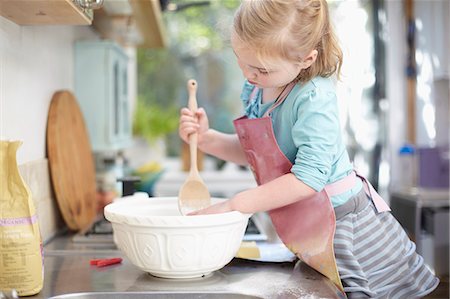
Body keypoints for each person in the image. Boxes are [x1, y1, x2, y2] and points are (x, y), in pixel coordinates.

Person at [178, 0, 439, 297]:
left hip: (341, 224)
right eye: (241, 59)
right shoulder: (257, 86)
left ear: (305, 59)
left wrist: (236, 204)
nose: (249, 75)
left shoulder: (314, 98)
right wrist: (208, 138)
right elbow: (261, 154)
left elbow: (308, 177)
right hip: (306, 219)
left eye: (261, 69)